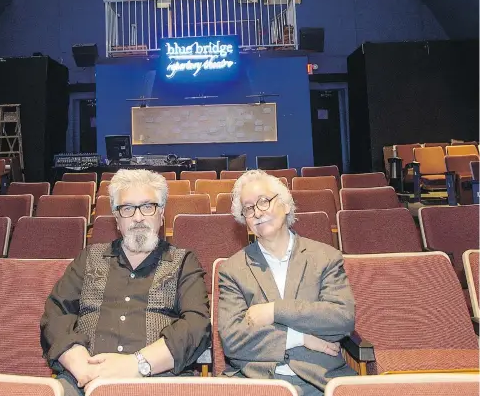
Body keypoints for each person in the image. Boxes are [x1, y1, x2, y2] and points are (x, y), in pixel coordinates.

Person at [40, 169, 210, 396]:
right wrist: (79, 363)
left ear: (161, 215)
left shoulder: (183, 263)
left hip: (159, 382)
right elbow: (56, 313)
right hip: (83, 382)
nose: (138, 217)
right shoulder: (89, 258)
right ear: (117, 219)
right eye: (127, 208)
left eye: (148, 206)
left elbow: (196, 326)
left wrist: (136, 364)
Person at [218, 170, 356, 396]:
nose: (257, 213)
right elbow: (233, 339)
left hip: (319, 381)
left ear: (286, 205)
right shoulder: (232, 269)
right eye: (249, 208)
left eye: (264, 202)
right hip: (257, 382)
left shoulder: (325, 257)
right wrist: (300, 338)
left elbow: (341, 319)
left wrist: (274, 311)